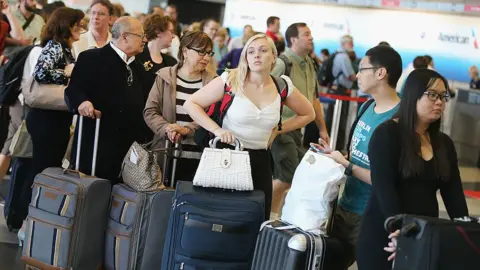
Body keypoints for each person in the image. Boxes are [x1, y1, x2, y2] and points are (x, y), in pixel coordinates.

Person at [183, 33, 315, 219]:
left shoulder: (282, 85)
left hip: (260, 160)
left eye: (263, 50)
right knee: (219, 218)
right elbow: (191, 104)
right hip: (228, 157)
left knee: (255, 217)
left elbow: (309, 114)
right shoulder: (230, 79)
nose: (256, 55)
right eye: (251, 51)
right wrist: (217, 130)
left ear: (274, 57)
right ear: (245, 56)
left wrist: (278, 129)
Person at [356, 68, 469, 270]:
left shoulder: (444, 143)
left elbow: (453, 194)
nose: (439, 102)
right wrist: (399, 231)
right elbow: (384, 189)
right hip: (384, 236)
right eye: (432, 95)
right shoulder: (387, 134)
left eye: (443, 97)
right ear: (412, 95)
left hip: (424, 236)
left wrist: (466, 230)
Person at [312, 45, 403, 269]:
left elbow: (385, 179)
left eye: (363, 69)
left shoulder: (400, 119)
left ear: (381, 73)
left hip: (371, 214)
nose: (358, 75)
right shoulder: (368, 107)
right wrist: (336, 156)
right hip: (345, 207)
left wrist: (346, 164)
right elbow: (356, 154)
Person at [21, 6, 84, 240]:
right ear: (65, 25)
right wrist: (68, 73)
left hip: (54, 118)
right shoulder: (55, 46)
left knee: (46, 167)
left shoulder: (66, 47)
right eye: (77, 24)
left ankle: (34, 219)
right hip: (45, 117)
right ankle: (28, 221)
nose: (81, 28)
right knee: (42, 168)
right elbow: (41, 73)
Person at [65, 16, 148, 184]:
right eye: (141, 35)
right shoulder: (92, 58)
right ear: (124, 36)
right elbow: (73, 89)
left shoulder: (140, 69)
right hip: (96, 143)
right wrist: (83, 102)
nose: (145, 39)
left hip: (129, 150)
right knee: (91, 196)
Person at [270, 22, 329, 218]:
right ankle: (262, 213)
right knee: (288, 176)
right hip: (280, 128)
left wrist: (322, 129)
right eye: (306, 34)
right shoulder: (282, 63)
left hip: (297, 129)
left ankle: (271, 216)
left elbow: (314, 99)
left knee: (286, 177)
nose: (311, 37)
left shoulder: (310, 64)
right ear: (293, 39)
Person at [144, 31, 217, 182]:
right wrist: (167, 128)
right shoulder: (164, 76)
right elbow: (150, 111)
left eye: (210, 53)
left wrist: (187, 130)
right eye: (201, 52)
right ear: (185, 51)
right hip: (166, 151)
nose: (207, 57)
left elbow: (213, 115)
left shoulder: (214, 82)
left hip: (200, 154)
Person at [136, 13, 177, 101]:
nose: (173, 36)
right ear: (158, 32)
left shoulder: (172, 62)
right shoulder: (136, 57)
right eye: (171, 31)